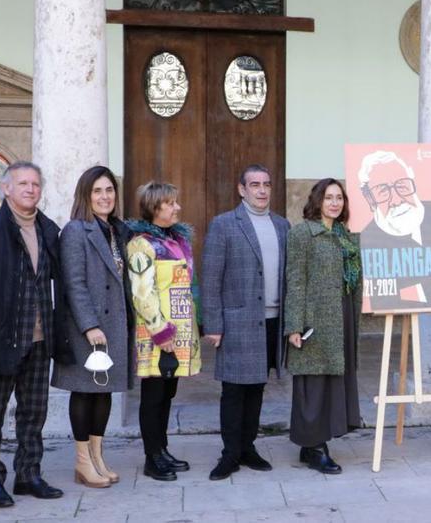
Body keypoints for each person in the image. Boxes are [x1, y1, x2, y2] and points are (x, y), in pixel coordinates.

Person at [0, 162, 64, 508]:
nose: (30, 189)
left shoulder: (49, 230)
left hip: (40, 339)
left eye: (35, 184)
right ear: (5, 188)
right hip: (1, 337)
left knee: (33, 412)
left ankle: (28, 474)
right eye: (22, 183)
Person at [202, 165, 290, 480]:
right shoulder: (224, 224)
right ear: (242, 189)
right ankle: (229, 454)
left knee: (257, 388)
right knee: (234, 391)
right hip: (237, 321)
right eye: (255, 184)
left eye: (267, 184)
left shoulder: (282, 225)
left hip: (272, 321)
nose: (262, 190)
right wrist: (212, 324)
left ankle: (248, 448)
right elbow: (211, 277)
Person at [51, 165, 134, 490]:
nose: (104, 197)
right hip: (89, 328)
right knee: (85, 391)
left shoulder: (116, 230)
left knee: (104, 392)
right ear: (86, 195)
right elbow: (73, 284)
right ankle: (82, 461)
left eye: (109, 190)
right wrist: (89, 326)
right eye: (97, 191)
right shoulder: (75, 230)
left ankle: (98, 456)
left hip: (115, 324)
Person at [284, 178, 363, 474]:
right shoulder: (303, 233)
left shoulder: (346, 235)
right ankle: (315, 447)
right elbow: (296, 279)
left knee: (332, 381)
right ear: (317, 200)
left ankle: (313, 444)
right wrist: (294, 325)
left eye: (339, 198)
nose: (334, 203)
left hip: (342, 315)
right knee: (312, 383)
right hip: (314, 318)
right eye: (329, 197)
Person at [127, 182, 202, 481]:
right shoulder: (141, 245)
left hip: (179, 330)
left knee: (168, 393)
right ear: (154, 207)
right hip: (158, 333)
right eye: (170, 203)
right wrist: (161, 331)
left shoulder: (174, 240)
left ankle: (162, 449)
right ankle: (151, 457)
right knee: (154, 395)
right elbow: (142, 294)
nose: (177, 208)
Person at [356, 149, 431, 307]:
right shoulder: (370, 239)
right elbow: (385, 302)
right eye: (383, 191)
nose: (397, 199)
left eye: (402, 185)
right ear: (369, 199)